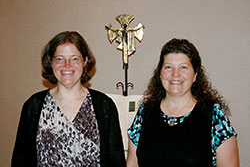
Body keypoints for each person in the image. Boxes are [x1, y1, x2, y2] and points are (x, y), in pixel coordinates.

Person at [12, 31, 126, 167]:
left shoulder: (104, 105)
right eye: (59, 58)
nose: (67, 65)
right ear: (50, 62)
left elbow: (116, 158)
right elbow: (20, 158)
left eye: (74, 58)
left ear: (85, 61)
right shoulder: (33, 106)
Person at [126, 38, 239, 167]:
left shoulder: (214, 115)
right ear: (160, 73)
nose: (175, 74)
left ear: (195, 75)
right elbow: (132, 163)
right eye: (168, 67)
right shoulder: (144, 112)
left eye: (183, 67)